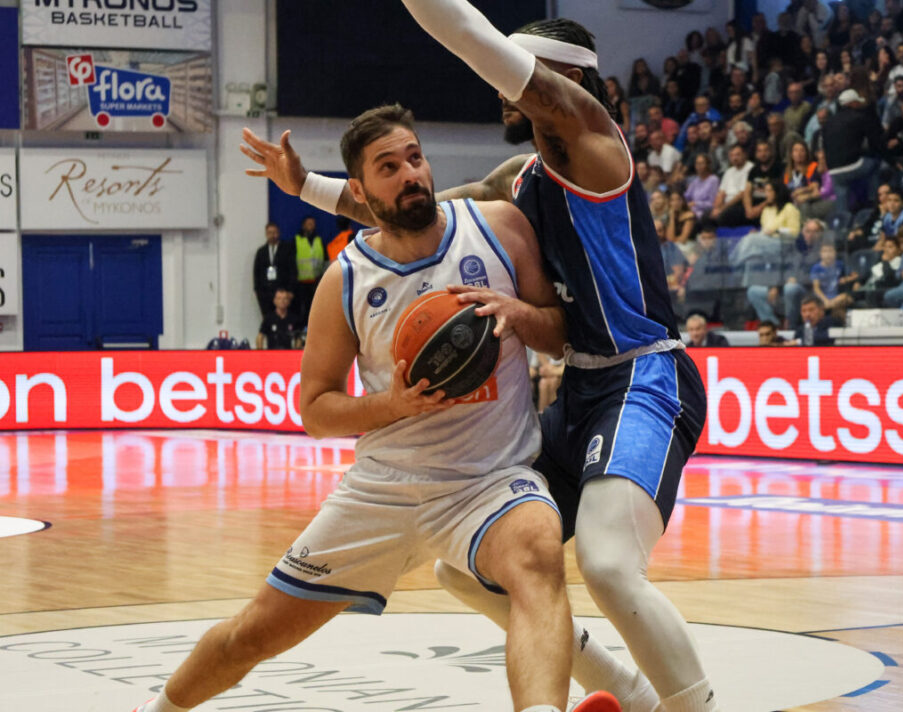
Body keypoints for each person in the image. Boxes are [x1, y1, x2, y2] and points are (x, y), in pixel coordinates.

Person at [244, 10, 715, 712]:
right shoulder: (518, 177)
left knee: (609, 564)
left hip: (644, 374)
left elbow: (476, 44)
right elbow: (414, 213)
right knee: (466, 572)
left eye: (517, 72)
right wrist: (305, 184)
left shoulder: (595, 141)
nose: (501, 89)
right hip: (582, 386)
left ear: (564, 81)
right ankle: (627, 695)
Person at [138, 104, 593, 712]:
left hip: (489, 480)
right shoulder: (345, 279)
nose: (411, 174)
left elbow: (559, 336)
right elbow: (315, 410)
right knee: (251, 636)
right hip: (385, 488)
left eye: (415, 158)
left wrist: (521, 314)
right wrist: (393, 404)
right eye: (389, 167)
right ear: (359, 190)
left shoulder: (499, 228)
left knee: (538, 555)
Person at [251, 221, 295, 318]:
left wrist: (290, 290)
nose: (272, 235)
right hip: (266, 292)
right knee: (268, 318)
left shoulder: (287, 249)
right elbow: (256, 272)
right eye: (270, 233)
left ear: (279, 233)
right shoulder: (261, 251)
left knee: (283, 317)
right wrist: (257, 290)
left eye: (275, 232)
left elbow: (292, 270)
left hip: (282, 290)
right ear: (266, 234)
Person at [293, 215, 326, 324]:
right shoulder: (297, 240)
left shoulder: (319, 240)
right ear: (303, 226)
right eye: (309, 224)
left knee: (316, 310)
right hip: (301, 283)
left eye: (313, 224)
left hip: (316, 282)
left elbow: (324, 259)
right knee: (302, 311)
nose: (311, 226)